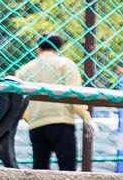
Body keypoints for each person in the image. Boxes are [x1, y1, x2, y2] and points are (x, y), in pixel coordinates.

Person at [12, 34, 88, 171]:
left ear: (38, 48)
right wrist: (86, 118)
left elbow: (18, 101)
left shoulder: (24, 70)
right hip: (62, 122)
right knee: (68, 170)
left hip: (36, 125)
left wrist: (30, 118)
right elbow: (76, 95)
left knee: (40, 170)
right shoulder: (65, 64)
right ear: (59, 48)